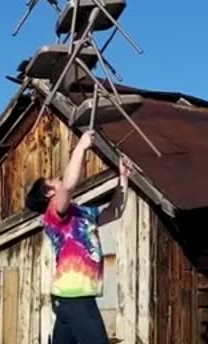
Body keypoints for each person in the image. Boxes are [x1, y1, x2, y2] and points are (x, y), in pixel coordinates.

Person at [25, 130, 133, 344]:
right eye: (53, 181)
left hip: (69, 299)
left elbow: (114, 212)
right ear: (49, 194)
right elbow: (68, 185)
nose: (59, 180)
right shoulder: (55, 214)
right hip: (76, 297)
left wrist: (123, 179)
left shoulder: (80, 213)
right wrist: (81, 148)